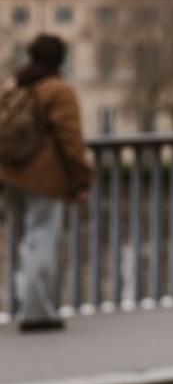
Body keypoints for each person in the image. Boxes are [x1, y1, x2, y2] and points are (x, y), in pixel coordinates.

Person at [0, 34, 92, 332]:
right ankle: (35, 311)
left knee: (19, 241)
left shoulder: (17, 84)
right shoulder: (58, 90)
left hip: (9, 174)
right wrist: (81, 180)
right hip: (43, 178)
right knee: (41, 241)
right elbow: (70, 140)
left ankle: (20, 303)